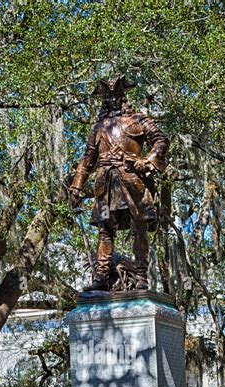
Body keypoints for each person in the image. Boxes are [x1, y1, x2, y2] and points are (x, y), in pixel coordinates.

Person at [69, 76, 169, 291]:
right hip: (105, 182)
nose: (112, 99)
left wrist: (146, 162)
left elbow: (161, 140)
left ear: (123, 96)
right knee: (105, 229)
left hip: (133, 180)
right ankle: (102, 276)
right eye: (108, 96)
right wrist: (77, 184)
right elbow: (88, 158)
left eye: (116, 95)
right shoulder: (98, 127)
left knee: (139, 226)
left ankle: (142, 275)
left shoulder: (139, 120)